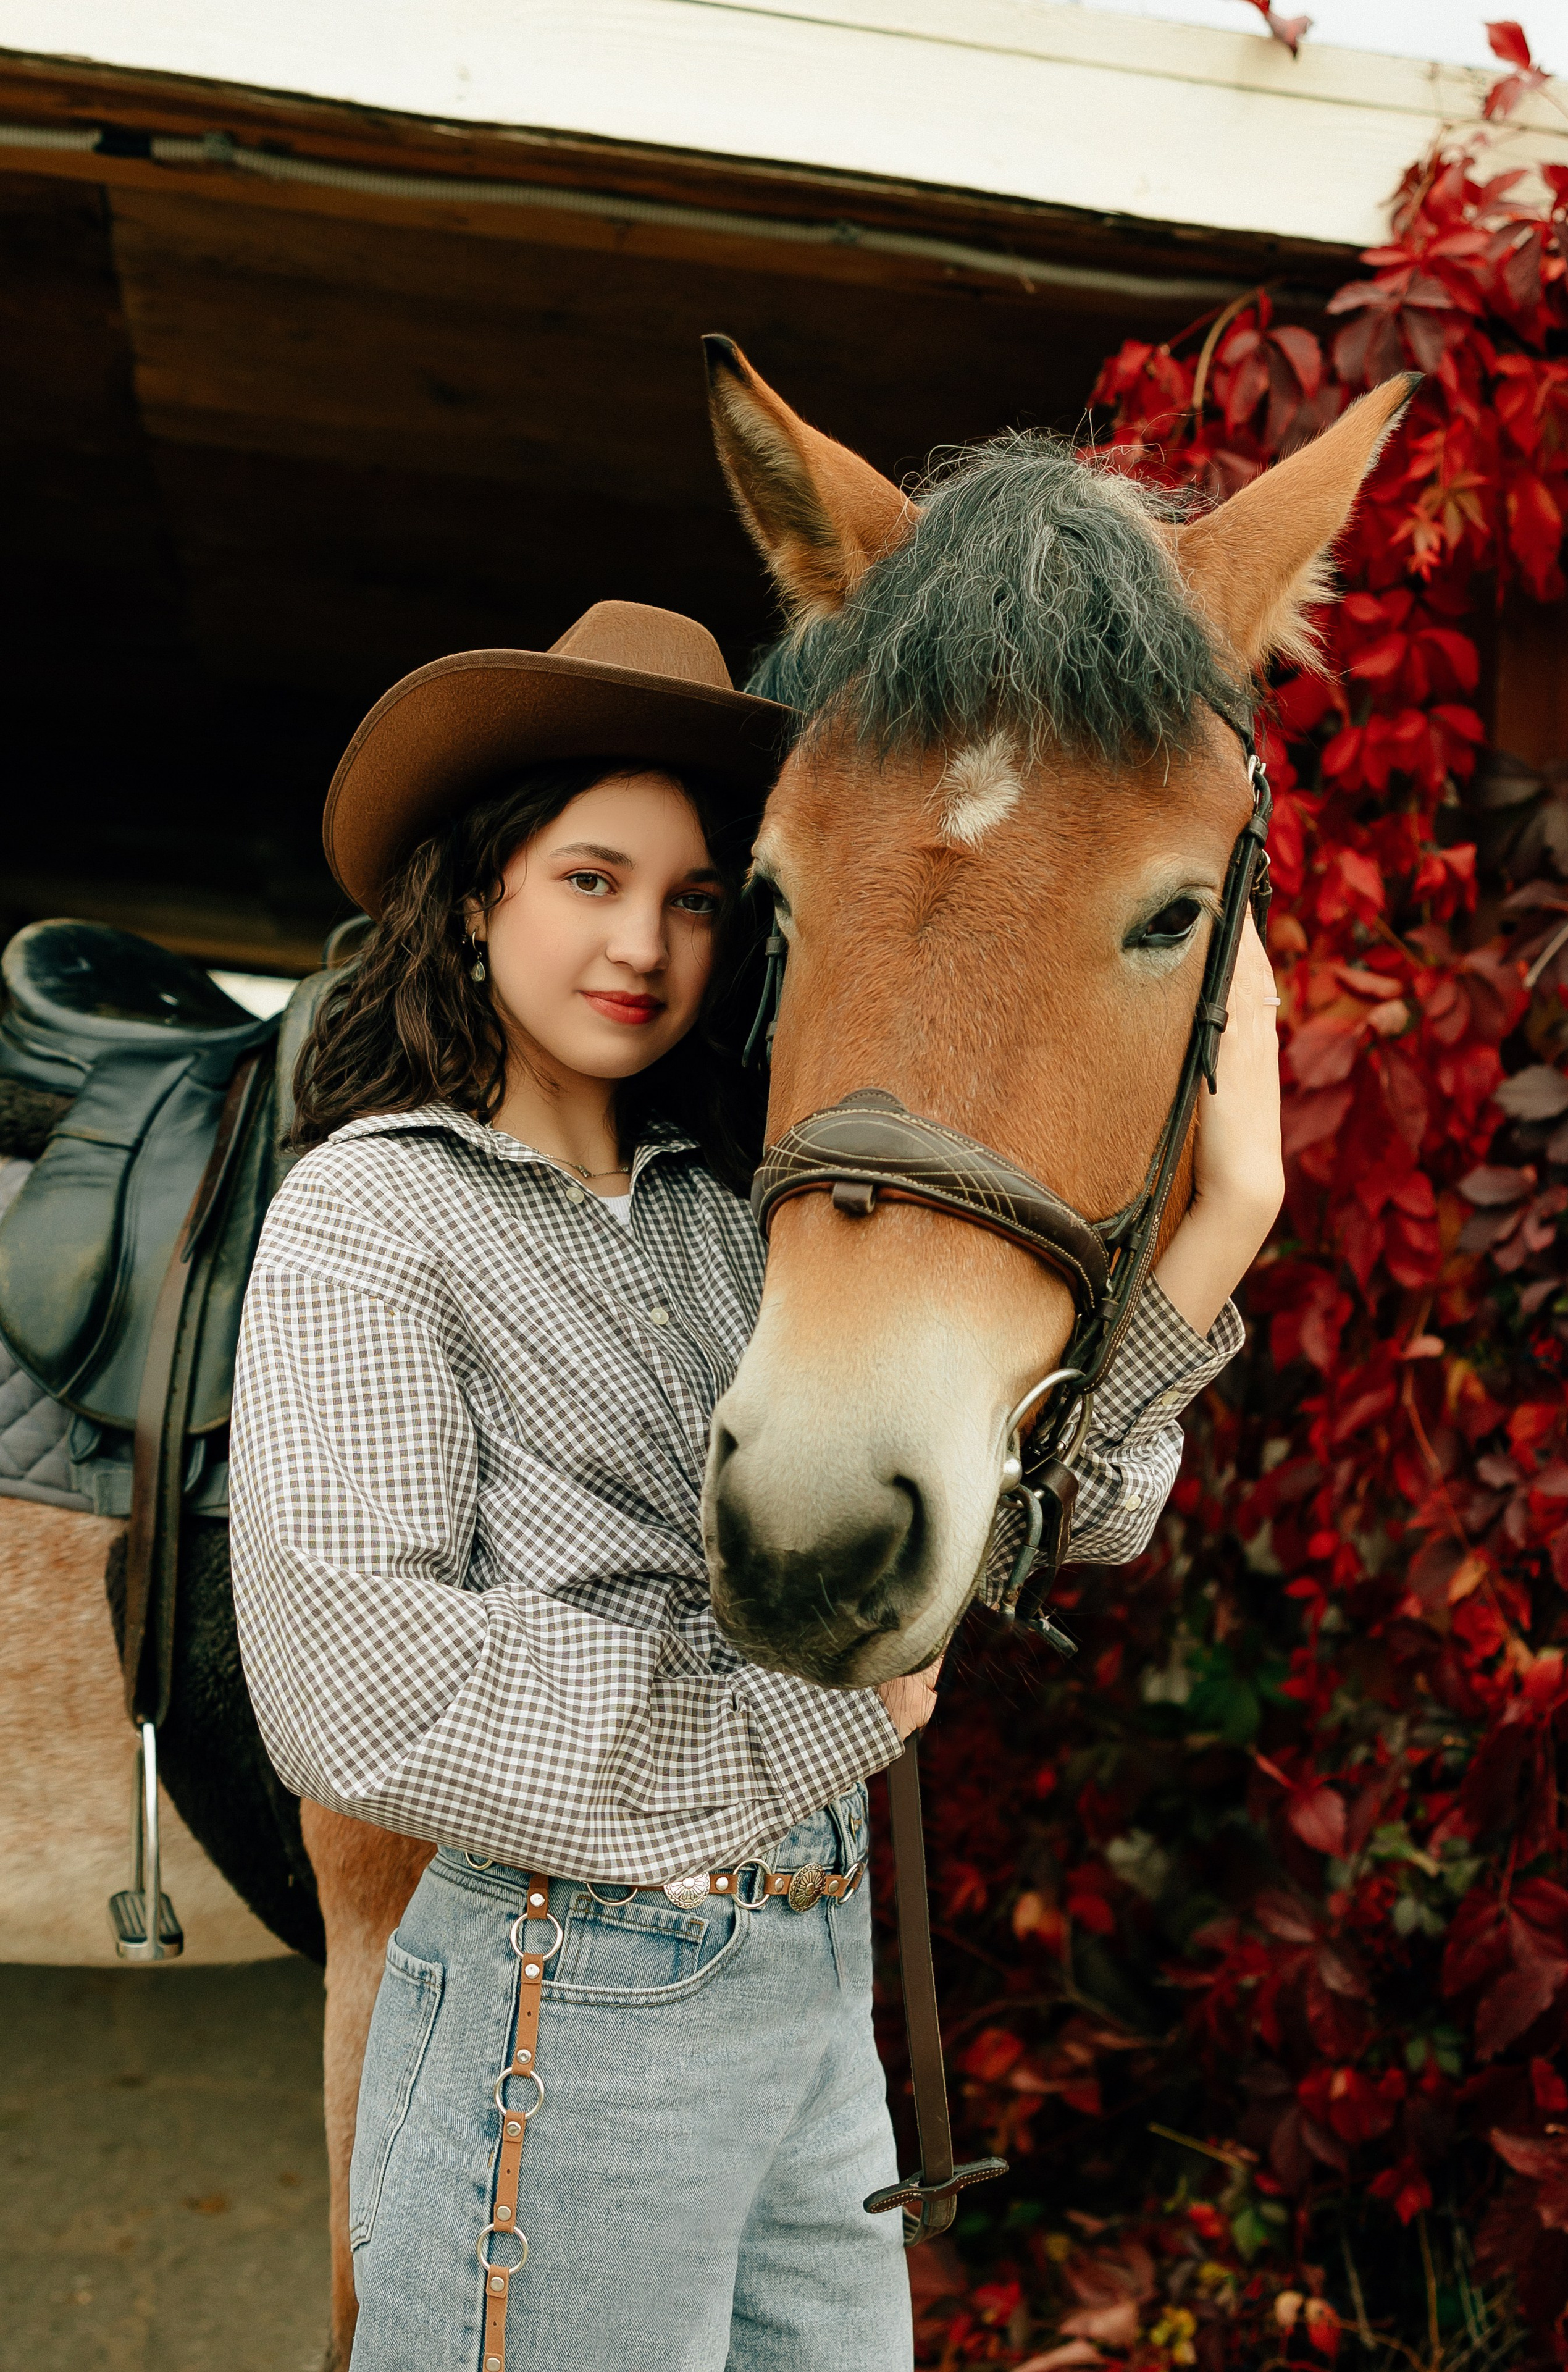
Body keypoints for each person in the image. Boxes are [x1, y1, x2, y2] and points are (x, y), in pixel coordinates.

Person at [228, 600, 1283, 2372]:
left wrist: (1222, 1223)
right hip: (566, 2002)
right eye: (590, 878)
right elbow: (361, 1687)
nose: (644, 942)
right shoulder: (371, 1215)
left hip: (812, 1992)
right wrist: (817, 1723)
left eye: (699, 899)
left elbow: (1066, 1520)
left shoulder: (744, 1226)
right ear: (480, 893)